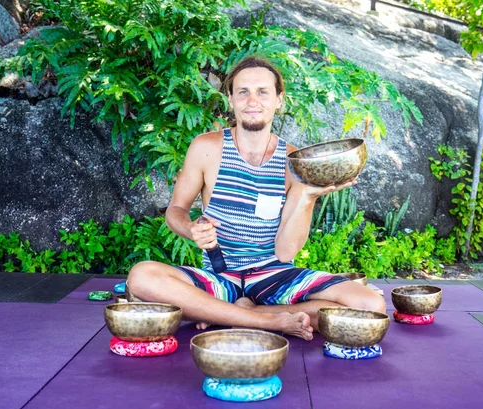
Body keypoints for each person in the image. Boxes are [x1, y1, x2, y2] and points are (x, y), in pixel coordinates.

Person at [127, 56, 386, 341]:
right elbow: (176, 210)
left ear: (279, 99)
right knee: (141, 276)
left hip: (272, 276)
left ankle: (226, 314)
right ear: (231, 99)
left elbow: (286, 253)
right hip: (218, 277)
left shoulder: (294, 163)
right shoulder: (206, 148)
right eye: (243, 92)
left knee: (370, 304)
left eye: (263, 92)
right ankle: (265, 319)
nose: (253, 100)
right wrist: (191, 229)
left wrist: (308, 197)